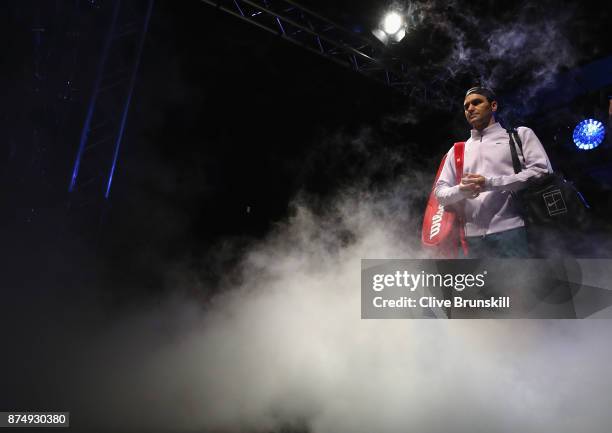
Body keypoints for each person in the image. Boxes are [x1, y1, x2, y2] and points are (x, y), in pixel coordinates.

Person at [434, 86, 553, 257]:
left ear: (494, 106)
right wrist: (461, 190)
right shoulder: (456, 150)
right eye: (466, 106)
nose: (470, 109)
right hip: (472, 241)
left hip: (515, 231)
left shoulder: (519, 135)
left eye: (476, 102)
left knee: (521, 284)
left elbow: (542, 172)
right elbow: (439, 194)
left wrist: (489, 183)